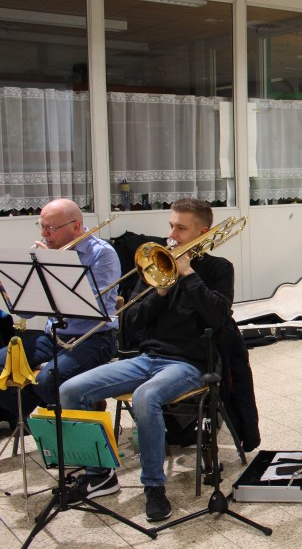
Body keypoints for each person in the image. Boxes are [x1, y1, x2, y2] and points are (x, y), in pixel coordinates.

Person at [60, 198, 233, 522]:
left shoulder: (218, 268)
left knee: (145, 397)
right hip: (148, 358)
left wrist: (187, 274)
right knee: (70, 390)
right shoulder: (156, 265)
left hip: (191, 364)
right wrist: (160, 292)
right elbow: (133, 322)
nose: (172, 235)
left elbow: (219, 316)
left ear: (202, 232)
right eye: (171, 226)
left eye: (181, 228)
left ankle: (154, 486)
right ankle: (100, 475)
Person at [0, 199, 119, 427]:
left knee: (47, 381)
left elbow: (93, 307)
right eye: (42, 226)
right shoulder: (45, 252)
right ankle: (36, 417)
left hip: (95, 338)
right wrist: (11, 289)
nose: (44, 234)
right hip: (54, 336)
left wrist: (53, 266)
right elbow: (27, 314)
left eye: (51, 228)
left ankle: (76, 410)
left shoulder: (102, 253)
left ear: (75, 227)